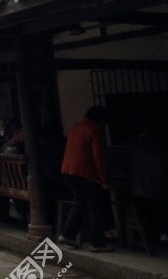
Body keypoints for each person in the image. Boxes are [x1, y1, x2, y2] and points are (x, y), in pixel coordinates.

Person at [58, 106, 113, 253]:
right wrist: (104, 180)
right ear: (101, 119)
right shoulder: (95, 130)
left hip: (68, 171)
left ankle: (67, 234)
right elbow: (99, 158)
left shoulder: (75, 128)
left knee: (80, 202)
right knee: (95, 207)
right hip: (85, 172)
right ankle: (97, 243)